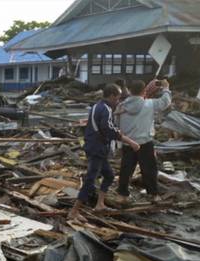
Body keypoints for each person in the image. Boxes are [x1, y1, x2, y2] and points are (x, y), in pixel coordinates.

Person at [68, 84, 140, 221]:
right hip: (97, 149)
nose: (118, 101)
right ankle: (74, 211)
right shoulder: (106, 109)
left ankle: (100, 204)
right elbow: (109, 130)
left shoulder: (96, 106)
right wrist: (130, 142)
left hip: (94, 146)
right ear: (112, 95)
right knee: (90, 180)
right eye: (118, 98)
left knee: (109, 175)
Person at [115, 79, 171, 203]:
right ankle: (153, 195)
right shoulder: (149, 104)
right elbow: (165, 102)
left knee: (126, 169)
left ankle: (122, 195)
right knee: (149, 169)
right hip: (144, 142)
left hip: (128, 142)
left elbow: (116, 125)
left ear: (130, 91)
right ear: (144, 91)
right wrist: (166, 88)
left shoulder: (121, 105)